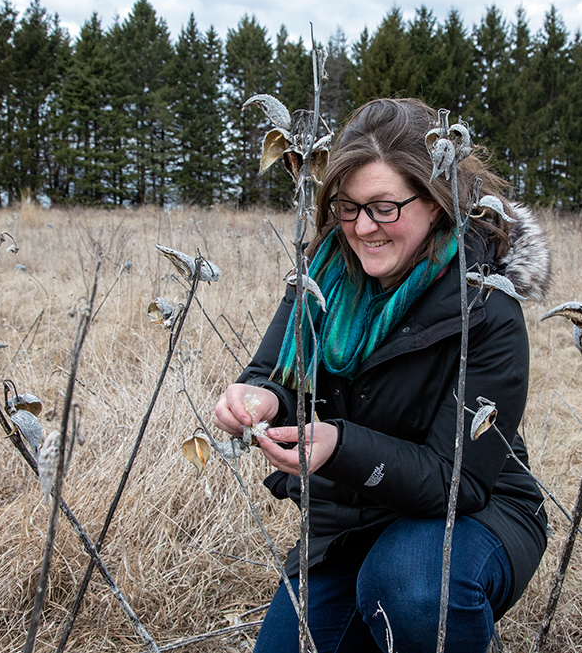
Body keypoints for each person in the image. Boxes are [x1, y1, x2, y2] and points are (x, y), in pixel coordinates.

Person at [213, 98, 551, 652]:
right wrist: (257, 398)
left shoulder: (485, 307)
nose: (362, 228)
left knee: (411, 589)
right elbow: (274, 372)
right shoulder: (324, 275)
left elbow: (456, 481)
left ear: (437, 201)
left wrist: (339, 447)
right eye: (348, 207)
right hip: (349, 524)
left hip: (471, 516)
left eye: (384, 207)